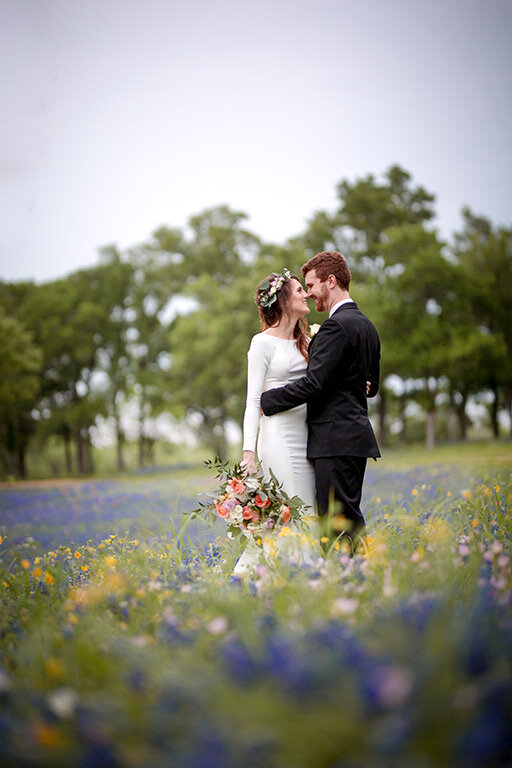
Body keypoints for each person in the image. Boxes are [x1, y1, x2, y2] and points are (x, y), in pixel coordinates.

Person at [261, 251, 380, 554]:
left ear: (331, 281)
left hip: (335, 438)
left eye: (312, 285)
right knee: (347, 517)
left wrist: (269, 399)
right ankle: (356, 579)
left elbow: (314, 383)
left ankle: (348, 581)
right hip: (354, 436)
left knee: (337, 523)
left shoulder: (335, 326)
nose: (310, 293)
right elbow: (371, 386)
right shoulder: (367, 326)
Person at [234, 268, 316, 574]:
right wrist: (248, 453)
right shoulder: (261, 344)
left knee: (308, 508)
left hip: (307, 436)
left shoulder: (306, 340)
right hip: (278, 438)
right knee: (295, 511)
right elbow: (253, 401)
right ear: (282, 300)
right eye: (298, 291)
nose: (306, 294)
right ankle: (297, 575)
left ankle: (293, 574)